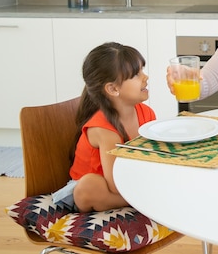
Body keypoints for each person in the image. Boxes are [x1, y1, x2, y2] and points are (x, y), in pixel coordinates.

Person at [52, 42, 154, 212]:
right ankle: (140, 200)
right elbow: (114, 184)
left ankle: (140, 196)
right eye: (136, 74)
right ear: (113, 89)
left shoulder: (147, 113)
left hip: (128, 181)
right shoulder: (104, 129)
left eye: (142, 70)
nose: (145, 77)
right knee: (90, 185)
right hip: (99, 187)